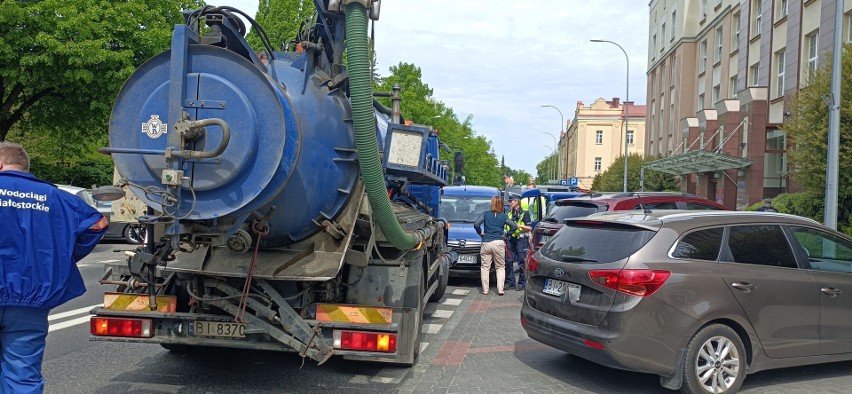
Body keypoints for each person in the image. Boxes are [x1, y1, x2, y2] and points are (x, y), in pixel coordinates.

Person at [0, 141, 107, 393]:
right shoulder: (56, 197)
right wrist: (63, 257)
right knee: (22, 374)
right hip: (31, 300)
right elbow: (97, 223)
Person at [474, 196, 517, 296]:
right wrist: (507, 234)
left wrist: (480, 233)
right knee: (500, 267)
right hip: (498, 242)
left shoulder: (485, 214)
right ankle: (500, 289)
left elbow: (476, 224)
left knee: (485, 267)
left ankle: (485, 290)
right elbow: (514, 226)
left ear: (492, 204)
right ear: (501, 205)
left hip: (486, 242)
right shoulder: (503, 216)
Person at [505, 196, 532, 291]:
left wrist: (519, 225)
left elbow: (530, 228)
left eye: (511, 201)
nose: (509, 203)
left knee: (521, 261)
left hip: (521, 239)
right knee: (508, 261)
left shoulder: (524, 213)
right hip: (510, 239)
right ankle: (510, 282)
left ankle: (522, 283)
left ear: (517, 202)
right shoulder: (508, 213)